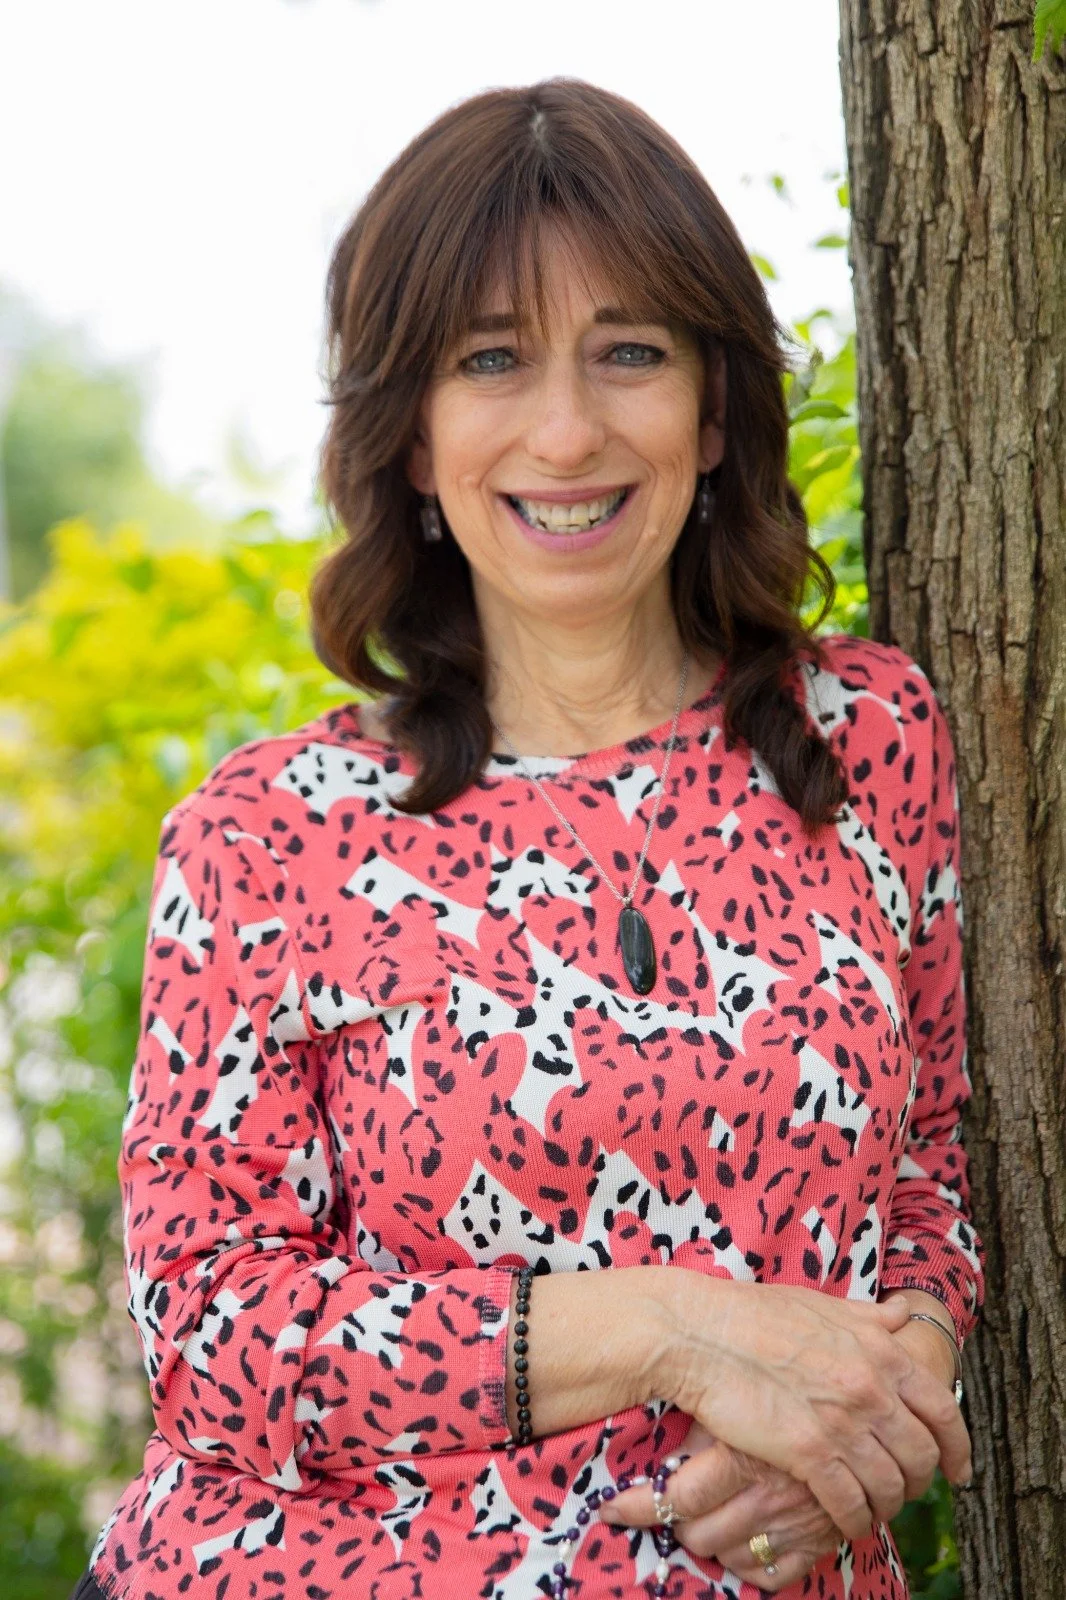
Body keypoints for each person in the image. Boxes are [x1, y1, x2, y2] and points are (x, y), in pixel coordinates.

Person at [75, 78, 983, 1600]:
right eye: (490, 360)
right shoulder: (267, 837)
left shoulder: (867, 740)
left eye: (630, 352)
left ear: (713, 410)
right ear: (412, 439)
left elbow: (929, 1165)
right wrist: (677, 1330)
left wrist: (869, 1404)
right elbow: (213, 1343)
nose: (566, 432)